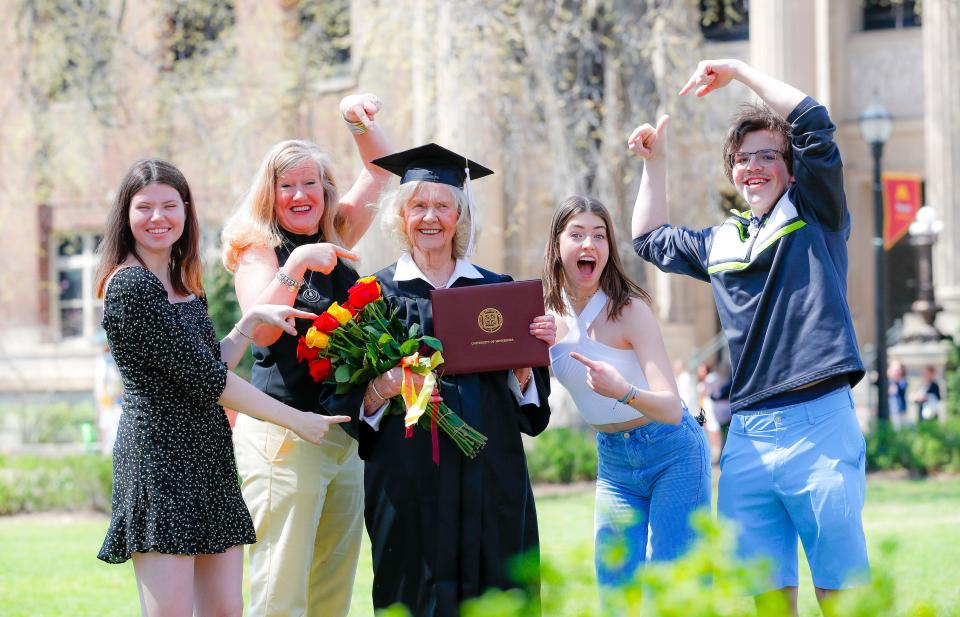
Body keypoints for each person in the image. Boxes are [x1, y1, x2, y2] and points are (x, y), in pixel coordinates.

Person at [630, 59, 869, 614]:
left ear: (791, 169)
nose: (753, 167)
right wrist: (655, 163)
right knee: (764, 594)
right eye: (742, 159)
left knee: (841, 589)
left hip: (821, 421)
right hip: (748, 436)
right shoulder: (721, 242)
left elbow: (813, 119)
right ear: (731, 173)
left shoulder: (814, 212)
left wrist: (736, 71)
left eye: (769, 156)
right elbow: (648, 239)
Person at [94, 159, 349, 617]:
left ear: (187, 212)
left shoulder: (184, 283)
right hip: (159, 459)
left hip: (208, 457)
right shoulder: (130, 285)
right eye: (145, 207)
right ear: (125, 216)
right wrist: (297, 419)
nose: (159, 218)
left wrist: (248, 325)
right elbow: (211, 381)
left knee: (225, 612)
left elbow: (208, 364)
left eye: (170, 206)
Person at [323, 143, 554, 616]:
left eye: (442, 206)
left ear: (459, 216)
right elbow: (343, 404)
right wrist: (381, 387)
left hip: (492, 476)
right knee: (413, 593)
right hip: (408, 482)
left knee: (499, 595)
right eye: (418, 206)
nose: (430, 217)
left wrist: (524, 368)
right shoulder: (371, 297)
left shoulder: (497, 291)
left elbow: (532, 413)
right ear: (401, 216)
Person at [220, 93, 393, 616]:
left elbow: (382, 169)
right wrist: (296, 263)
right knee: (281, 592)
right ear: (269, 196)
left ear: (324, 190)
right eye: (286, 185)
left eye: (309, 183)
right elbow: (265, 333)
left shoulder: (338, 233)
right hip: (284, 437)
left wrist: (353, 119)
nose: (300, 195)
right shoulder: (259, 250)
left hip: (343, 438)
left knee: (330, 592)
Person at [543, 196, 710, 606]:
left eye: (599, 236)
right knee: (615, 594)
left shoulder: (629, 310)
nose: (589, 245)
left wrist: (624, 391)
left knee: (675, 593)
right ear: (557, 246)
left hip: (672, 452)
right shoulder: (545, 315)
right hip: (615, 464)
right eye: (577, 234)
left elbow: (672, 409)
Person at [888, 360, 909, 429]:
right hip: (890, 412)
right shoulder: (887, 382)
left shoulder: (902, 382)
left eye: (898, 369)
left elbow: (901, 387)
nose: (896, 371)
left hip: (900, 412)